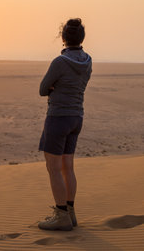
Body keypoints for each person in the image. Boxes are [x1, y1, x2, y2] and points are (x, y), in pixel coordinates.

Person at [38, 18, 92, 231]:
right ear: (82, 38)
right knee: (68, 166)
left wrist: (54, 88)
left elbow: (43, 89)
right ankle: (70, 213)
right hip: (76, 117)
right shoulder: (88, 60)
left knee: (53, 168)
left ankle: (61, 215)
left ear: (63, 38)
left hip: (58, 117)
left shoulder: (59, 62)